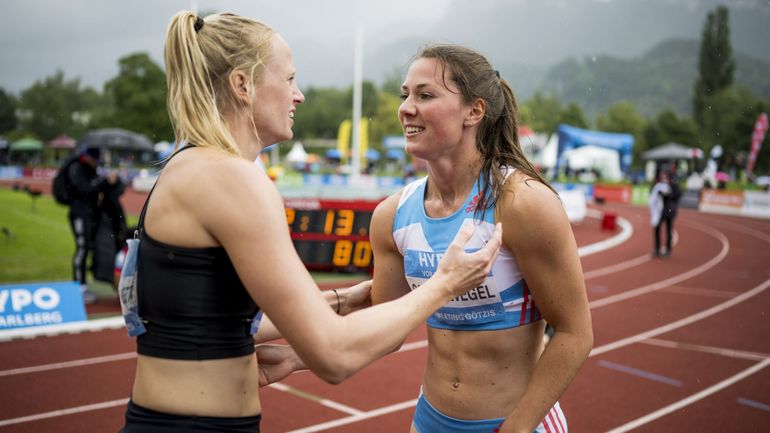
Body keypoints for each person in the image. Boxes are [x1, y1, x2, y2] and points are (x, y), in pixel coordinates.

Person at [120, 12, 502, 433]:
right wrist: (444, 283)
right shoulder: (232, 178)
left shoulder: (185, 165)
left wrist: (339, 301)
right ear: (242, 85)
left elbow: (212, 317)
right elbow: (334, 356)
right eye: (288, 79)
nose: (298, 95)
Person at [369, 44, 594, 433]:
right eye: (404, 95)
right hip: (430, 421)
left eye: (425, 95)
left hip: (516, 423)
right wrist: (296, 354)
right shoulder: (391, 215)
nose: (406, 107)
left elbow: (575, 333)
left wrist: (518, 427)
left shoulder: (523, 204)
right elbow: (382, 332)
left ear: (474, 111)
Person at [63, 145, 113, 303]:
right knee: (82, 247)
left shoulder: (91, 170)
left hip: (89, 215)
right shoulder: (76, 167)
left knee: (87, 248)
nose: (96, 162)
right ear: (90, 157)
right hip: (79, 214)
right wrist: (103, 181)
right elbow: (83, 189)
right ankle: (79, 287)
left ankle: (83, 284)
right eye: (95, 159)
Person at [649, 170, 680, 257]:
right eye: (662, 176)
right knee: (657, 229)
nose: (663, 178)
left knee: (669, 230)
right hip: (660, 212)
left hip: (669, 211)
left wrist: (667, 195)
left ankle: (668, 250)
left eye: (665, 176)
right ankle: (657, 249)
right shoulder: (658, 186)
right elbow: (653, 196)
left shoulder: (674, 186)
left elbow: (676, 196)